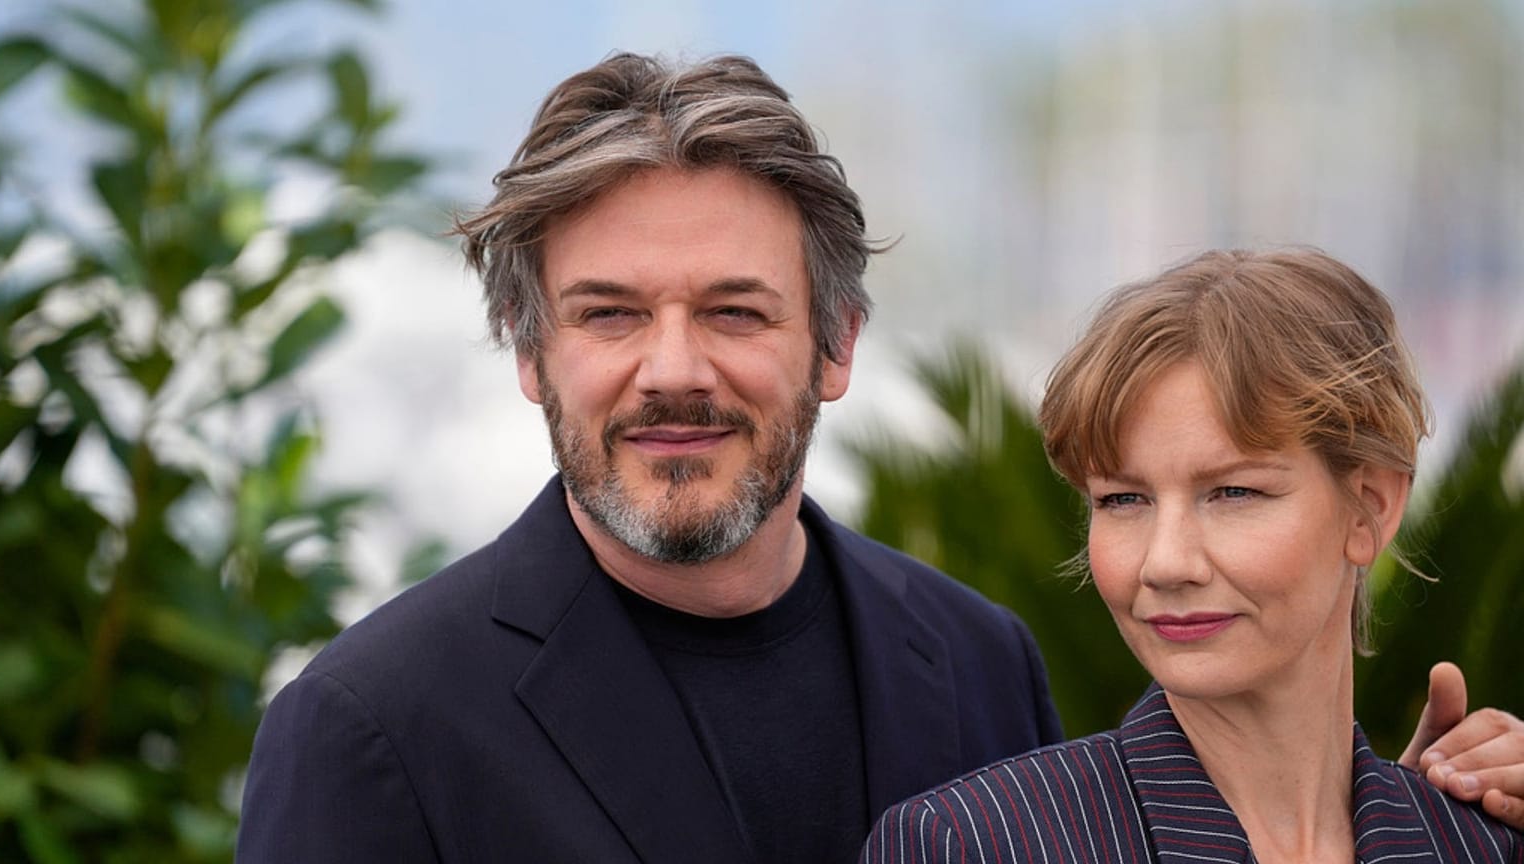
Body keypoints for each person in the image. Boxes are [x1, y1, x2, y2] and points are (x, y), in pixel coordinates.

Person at [237, 54, 1522, 864]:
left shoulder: (974, 658)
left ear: (837, 344)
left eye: (734, 311)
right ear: (531, 354)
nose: (672, 367)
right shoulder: (367, 729)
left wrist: (1397, 822)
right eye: (609, 313)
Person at [862, 249, 1524, 862]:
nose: (1166, 562)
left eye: (1233, 492)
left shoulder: (1486, 844)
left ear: (1371, 506)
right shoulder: (972, 844)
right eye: (1122, 500)